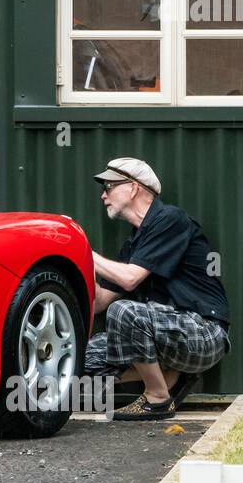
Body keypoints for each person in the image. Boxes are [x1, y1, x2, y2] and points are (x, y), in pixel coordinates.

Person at [84, 157, 231, 421]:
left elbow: (130, 280)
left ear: (132, 187)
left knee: (124, 311)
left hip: (203, 333)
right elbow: (98, 302)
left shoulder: (170, 220)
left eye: (108, 187)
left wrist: (83, 249)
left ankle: (158, 399)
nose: (103, 196)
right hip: (163, 338)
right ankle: (170, 374)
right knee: (81, 362)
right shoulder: (134, 245)